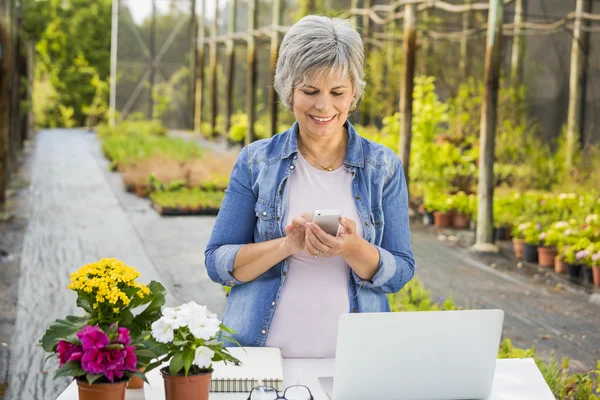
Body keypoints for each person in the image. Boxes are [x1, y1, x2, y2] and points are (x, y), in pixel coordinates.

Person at [205, 15, 414, 358]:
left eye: (337, 92)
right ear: (289, 90)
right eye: (310, 91)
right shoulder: (256, 162)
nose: (323, 106)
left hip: (355, 362)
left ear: (354, 93)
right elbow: (217, 262)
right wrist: (288, 244)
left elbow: (400, 270)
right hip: (262, 357)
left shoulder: (383, 167)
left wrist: (351, 247)